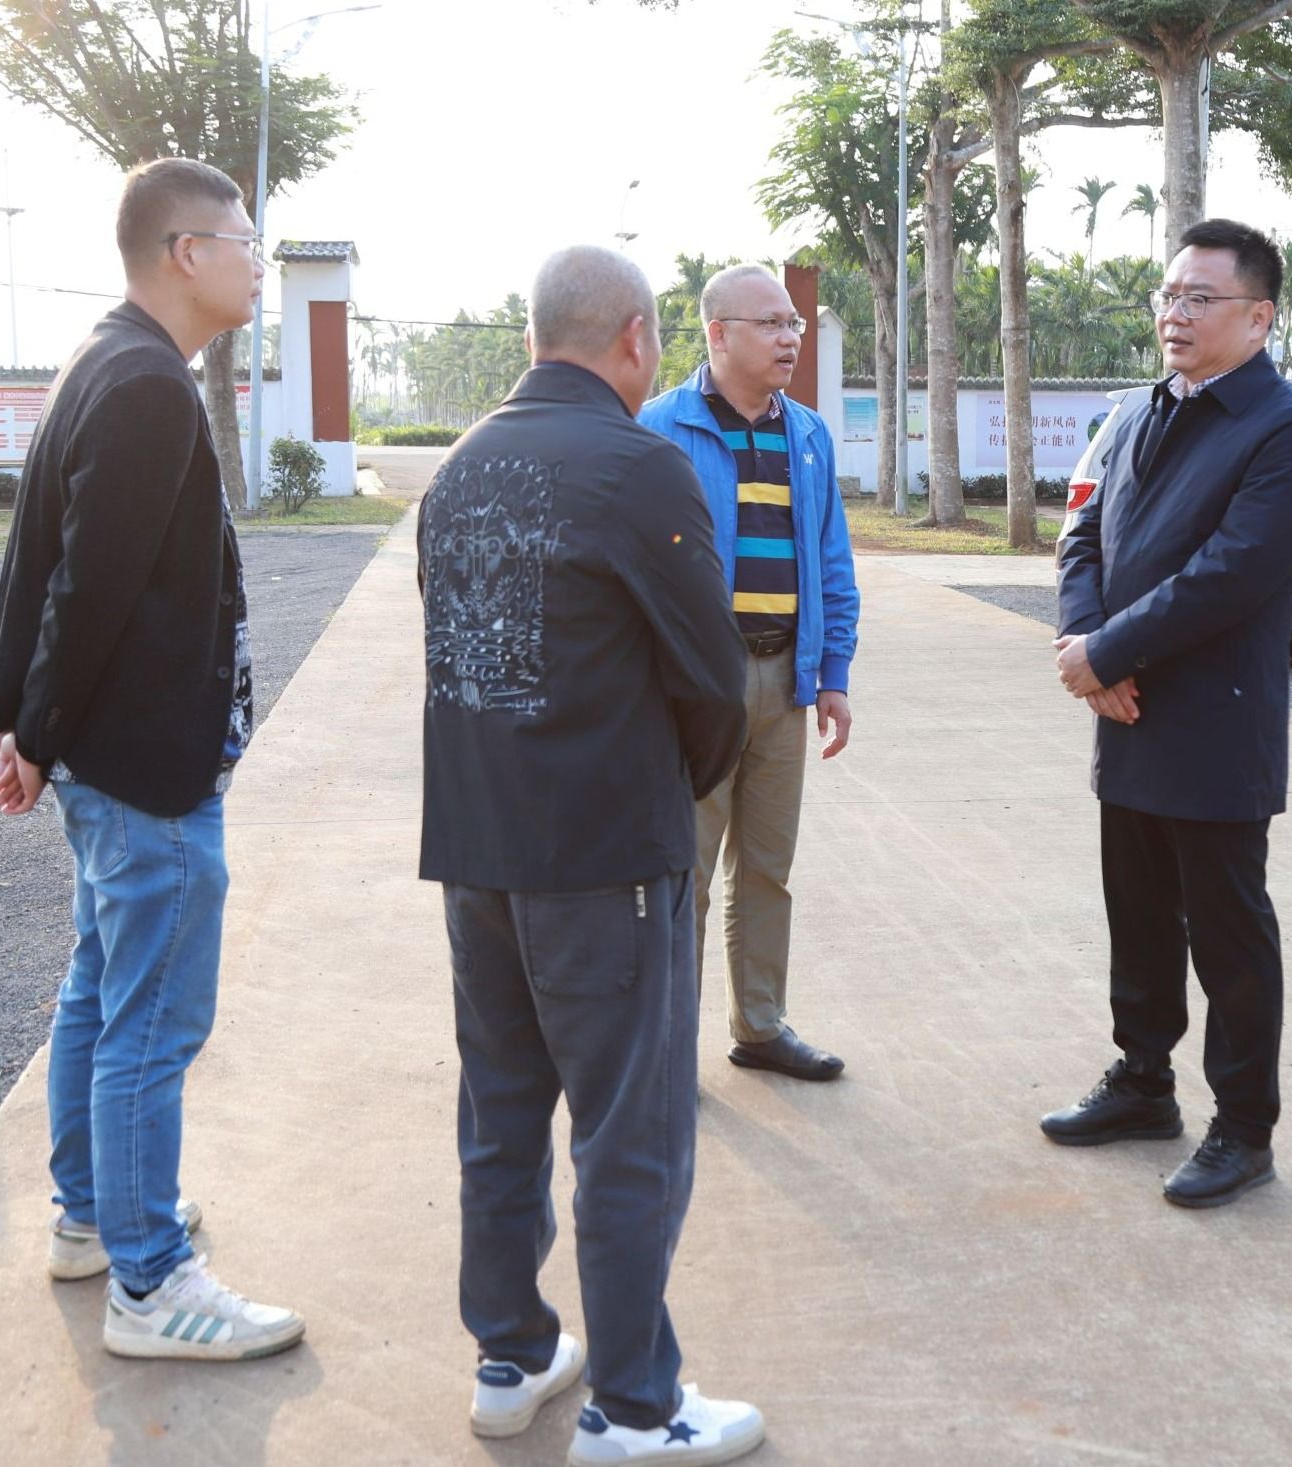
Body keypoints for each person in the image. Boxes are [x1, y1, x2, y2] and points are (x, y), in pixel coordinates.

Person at [419, 244, 765, 1465]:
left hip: (478, 846)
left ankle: (510, 1354)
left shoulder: (460, 465)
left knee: (502, 1110)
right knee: (631, 1131)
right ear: (634, 339)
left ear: (532, 337)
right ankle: (635, 1407)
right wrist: (674, 790)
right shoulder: (636, 465)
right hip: (604, 854)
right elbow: (714, 680)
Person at [0, 157, 304, 1357]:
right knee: (150, 1021)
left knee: (101, 988)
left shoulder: (108, 360)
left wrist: (22, 722)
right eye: (247, 242)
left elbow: (42, 559)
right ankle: (151, 1282)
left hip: (112, 758)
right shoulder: (147, 384)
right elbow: (82, 586)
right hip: (145, 768)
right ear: (187, 253)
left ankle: (91, 1216)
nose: (260, 264)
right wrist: (32, 728)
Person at [1045, 218, 1292, 1210]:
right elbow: (1084, 530)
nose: (1176, 313)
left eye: (1200, 298)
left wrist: (1108, 653)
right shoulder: (1139, 410)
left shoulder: (1285, 431)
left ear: (1259, 318)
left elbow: (1232, 575)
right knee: (1136, 917)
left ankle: (1244, 1129)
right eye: (1169, 295)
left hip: (1216, 723)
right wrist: (1087, 645)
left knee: (1227, 936)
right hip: (1126, 712)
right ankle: (1142, 1082)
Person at [639, 264, 860, 1083]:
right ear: (718, 334)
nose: (790, 337)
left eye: (794, 323)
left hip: (784, 682)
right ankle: (668, 1050)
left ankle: (760, 1026)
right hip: (696, 690)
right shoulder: (661, 428)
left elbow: (831, 558)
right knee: (685, 874)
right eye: (771, 323)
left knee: (767, 867)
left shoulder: (808, 434)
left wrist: (832, 671)